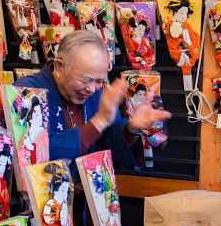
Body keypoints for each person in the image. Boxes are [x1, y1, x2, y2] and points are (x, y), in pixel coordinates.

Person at [14, 30, 170, 169]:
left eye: (99, 81)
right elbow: (29, 153)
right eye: (85, 79)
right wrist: (99, 121)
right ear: (59, 67)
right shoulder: (26, 94)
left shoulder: (95, 94)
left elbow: (112, 137)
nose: (92, 89)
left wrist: (132, 128)